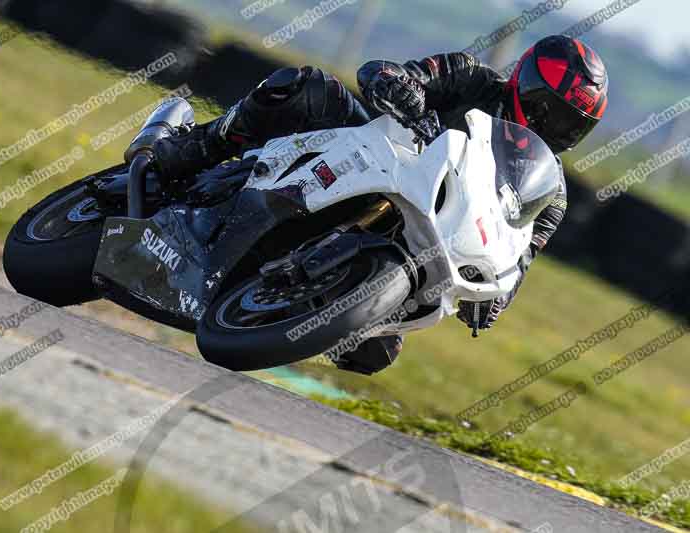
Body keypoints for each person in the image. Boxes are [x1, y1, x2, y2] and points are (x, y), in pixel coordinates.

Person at [135, 35, 608, 374]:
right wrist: (398, 86)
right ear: (525, 84)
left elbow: (521, 254)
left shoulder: (549, 192)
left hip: (424, 236)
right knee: (303, 86)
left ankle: (291, 297)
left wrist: (497, 297)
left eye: (571, 125)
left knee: (374, 352)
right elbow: (391, 72)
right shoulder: (470, 77)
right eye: (550, 110)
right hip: (372, 156)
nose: (554, 127)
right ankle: (195, 147)